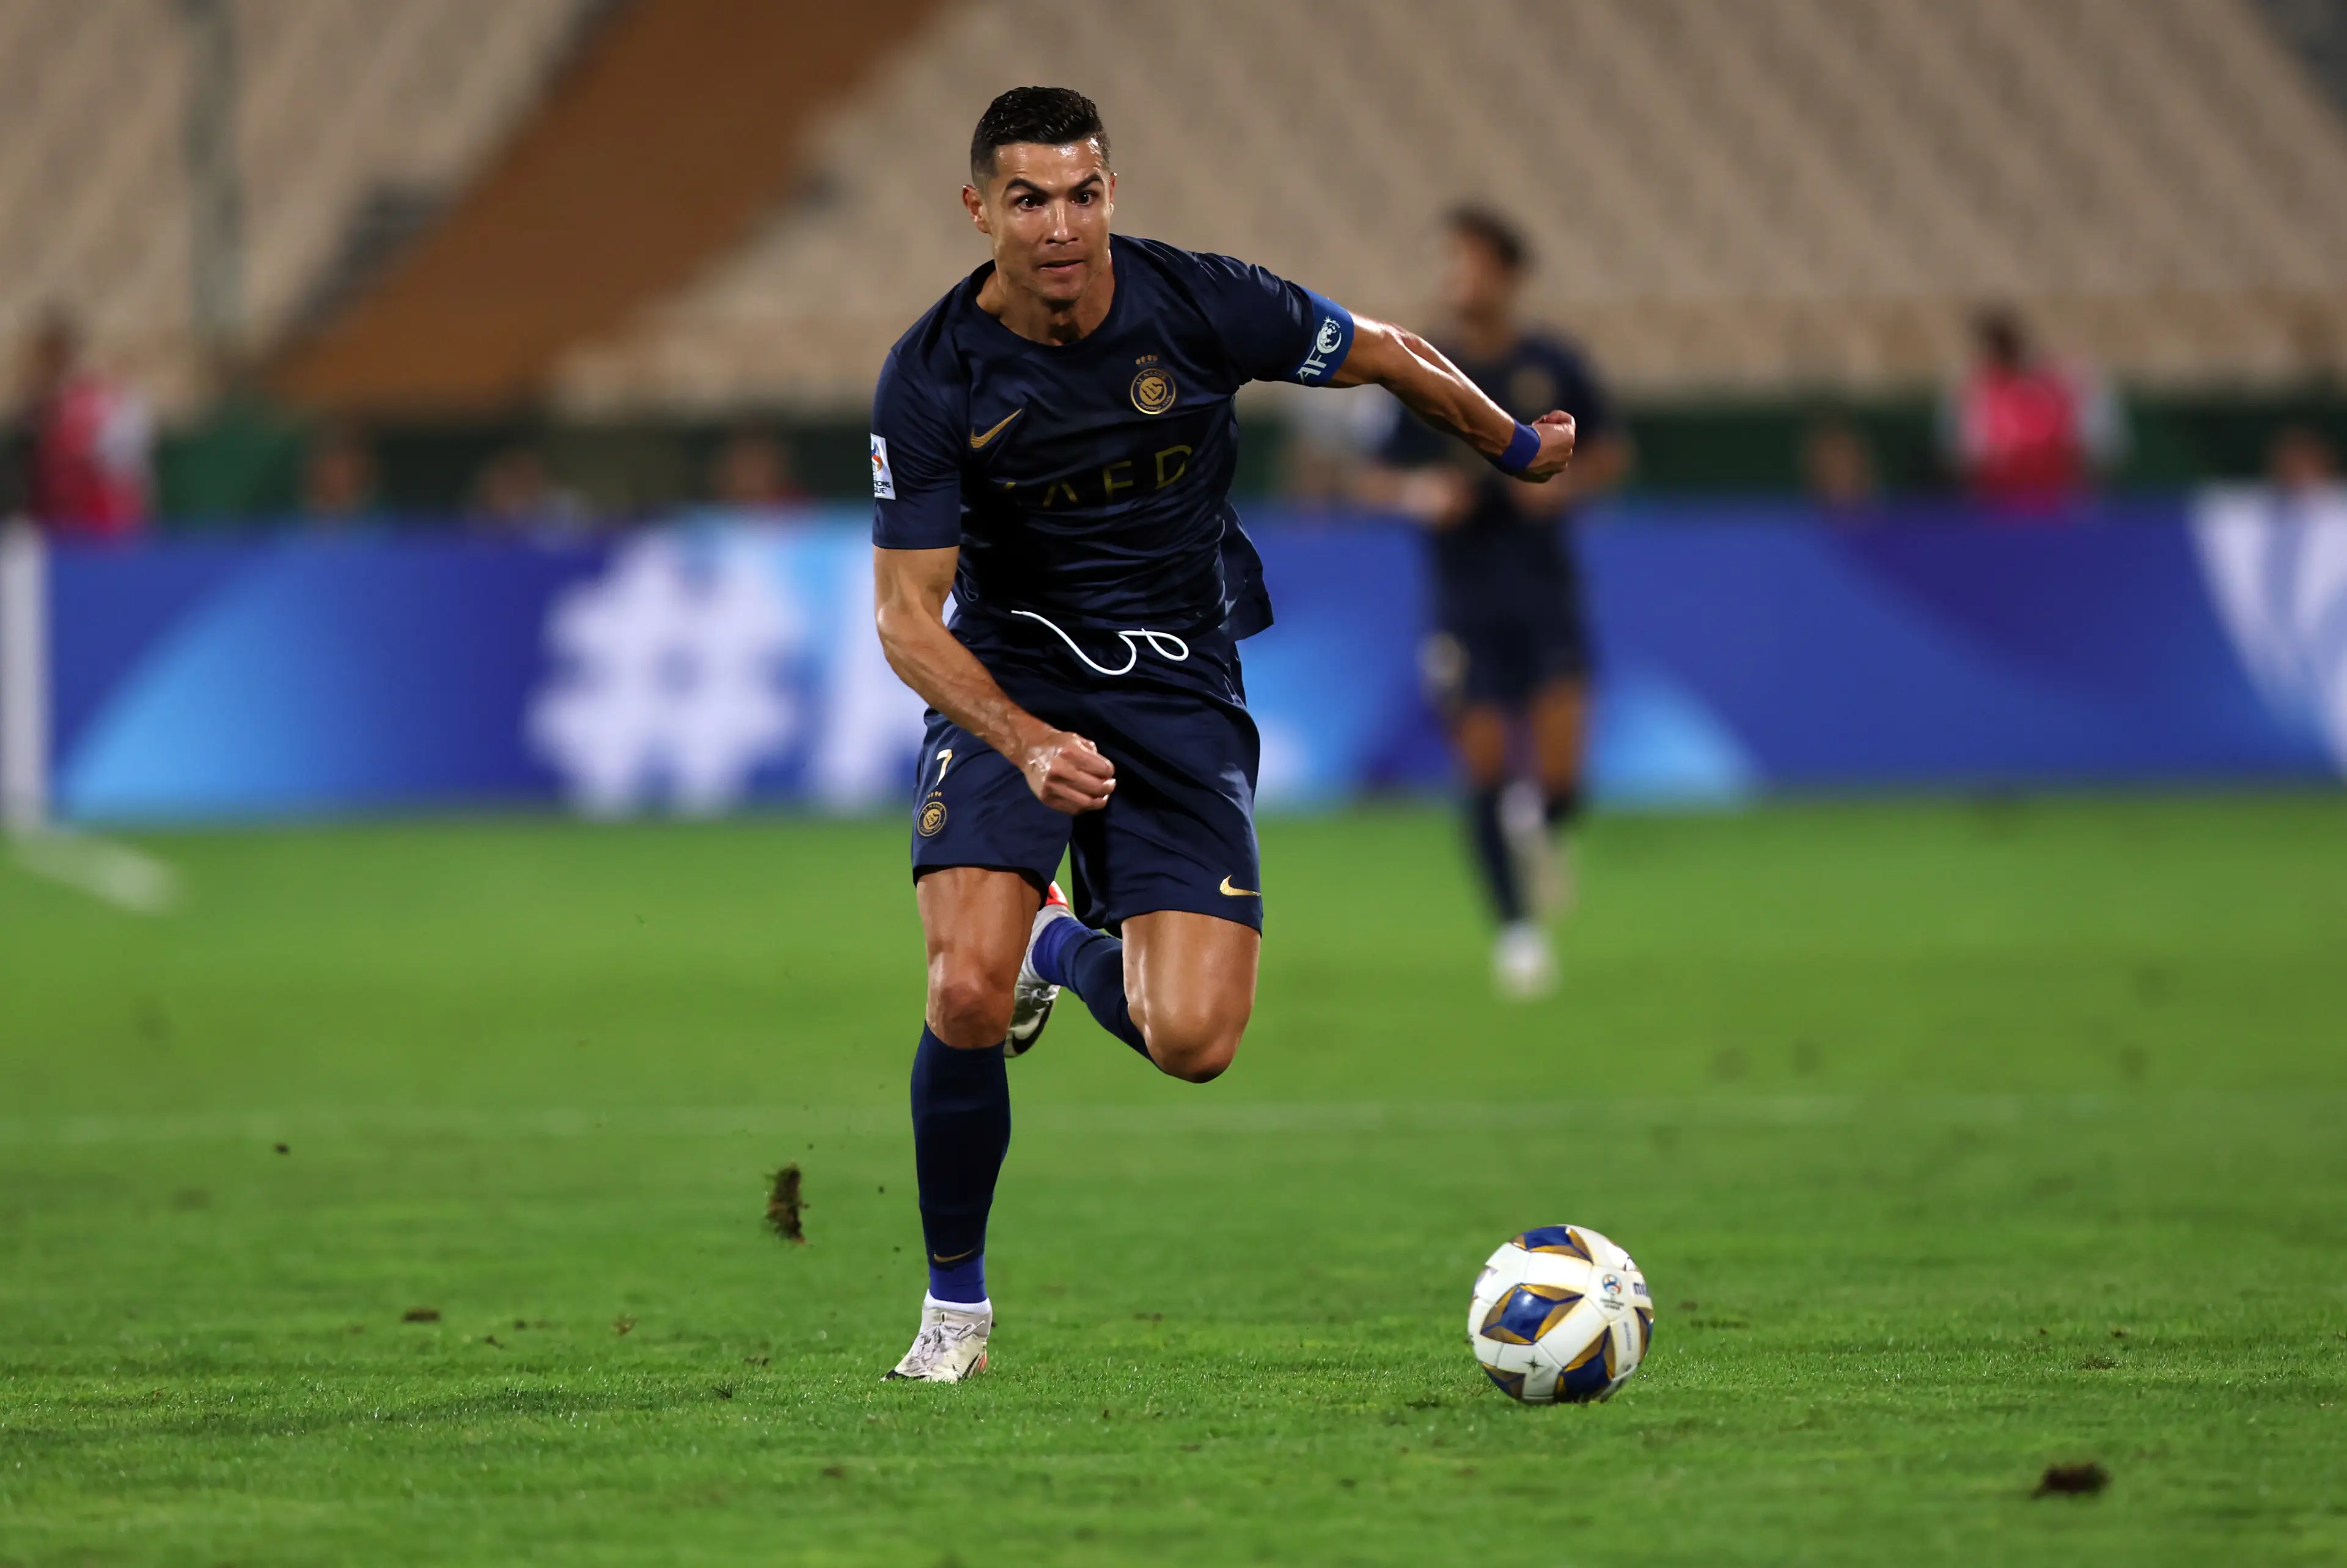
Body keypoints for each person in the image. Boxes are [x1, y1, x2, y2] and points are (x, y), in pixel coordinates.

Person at [869, 88, 1574, 1381]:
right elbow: (908, 620)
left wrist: (1513, 440)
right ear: (981, 212)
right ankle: (954, 1309)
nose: (1062, 223)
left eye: (1084, 192)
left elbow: (1385, 348)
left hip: (1179, 684)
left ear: (1112, 195)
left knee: (1193, 1038)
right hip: (1012, 675)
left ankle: (1060, 944)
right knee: (962, 987)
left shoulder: (1200, 303)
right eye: (1030, 199)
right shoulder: (933, 375)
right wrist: (1024, 742)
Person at [1356, 209, 1628, 997]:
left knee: (1561, 772)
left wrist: (1570, 486)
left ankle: (1539, 820)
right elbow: (1371, 476)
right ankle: (1516, 933)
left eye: (1469, 263)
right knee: (1479, 761)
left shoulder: (1552, 363)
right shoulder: (1420, 363)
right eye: (1449, 262)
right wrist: (1418, 493)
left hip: (1544, 588)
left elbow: (1611, 450)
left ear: (1507, 274)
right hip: (1462, 596)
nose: (1454, 278)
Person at [1942, 309, 2123, 510]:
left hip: (2060, 500)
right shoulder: (1976, 390)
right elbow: (1965, 457)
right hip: (1997, 502)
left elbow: (2098, 449)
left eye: (2009, 343)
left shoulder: (2067, 382)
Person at [16, 312, 152, 539]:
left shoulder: (99, 401)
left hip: (100, 522)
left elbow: (124, 466)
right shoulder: (37, 408)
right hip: (54, 522)